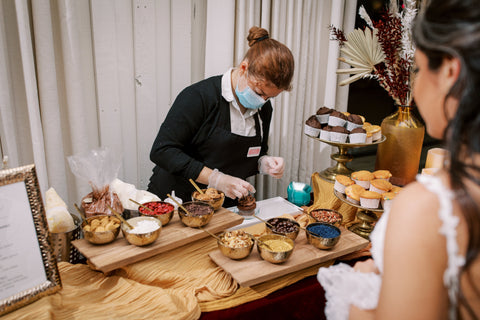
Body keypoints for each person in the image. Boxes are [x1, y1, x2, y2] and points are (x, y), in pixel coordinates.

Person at [317, 0, 480, 319]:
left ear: (449, 71)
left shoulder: (428, 206)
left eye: (417, 69)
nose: (414, 86)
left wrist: (359, 290)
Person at [147, 27, 294, 207]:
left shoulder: (263, 109)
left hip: (222, 208)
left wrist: (263, 162)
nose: (262, 101)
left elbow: (248, 153)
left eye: (270, 97)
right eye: (259, 92)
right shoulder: (199, 97)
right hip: (176, 201)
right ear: (243, 68)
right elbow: (162, 151)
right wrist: (216, 179)